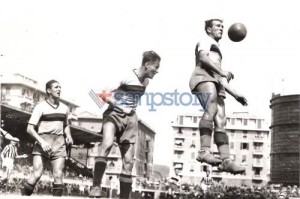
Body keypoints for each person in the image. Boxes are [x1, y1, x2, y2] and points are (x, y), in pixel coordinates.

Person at [89, 50, 161, 198]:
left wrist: (131, 114)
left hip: (130, 120)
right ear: (147, 64)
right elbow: (102, 94)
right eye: (156, 67)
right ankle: (96, 187)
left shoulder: (146, 82)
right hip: (114, 114)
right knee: (107, 144)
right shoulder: (126, 75)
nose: (157, 71)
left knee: (129, 161)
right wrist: (121, 107)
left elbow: (132, 100)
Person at [189, 18, 248, 174]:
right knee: (212, 107)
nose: (221, 28)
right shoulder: (205, 40)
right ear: (209, 29)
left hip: (215, 80)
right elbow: (202, 58)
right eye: (217, 26)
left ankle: (226, 160)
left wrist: (235, 94)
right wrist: (222, 72)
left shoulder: (218, 49)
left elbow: (219, 76)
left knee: (221, 119)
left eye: (222, 26)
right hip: (202, 76)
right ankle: (204, 151)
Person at [21, 80, 73, 196]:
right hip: (42, 143)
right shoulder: (40, 107)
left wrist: (68, 135)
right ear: (49, 91)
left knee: (58, 175)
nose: (59, 89)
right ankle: (24, 196)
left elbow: (66, 125)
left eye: (60, 87)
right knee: (37, 174)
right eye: (56, 87)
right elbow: (29, 128)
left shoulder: (64, 108)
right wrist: (42, 142)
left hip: (59, 143)